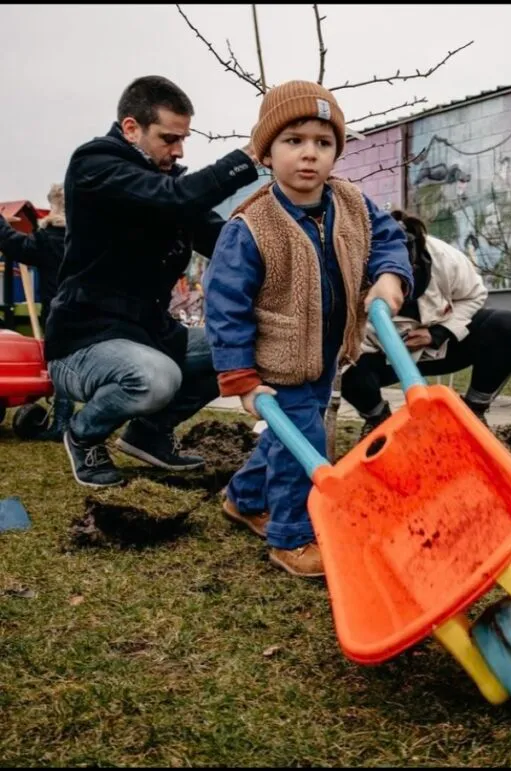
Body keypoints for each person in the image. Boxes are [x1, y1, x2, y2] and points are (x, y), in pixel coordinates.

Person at [203, 80, 413, 578]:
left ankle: (244, 498)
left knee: (288, 435)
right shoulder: (250, 226)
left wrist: (387, 280)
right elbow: (224, 307)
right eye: (293, 141)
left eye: (323, 143)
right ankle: (291, 536)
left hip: (327, 353)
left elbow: (388, 240)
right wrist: (241, 379)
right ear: (266, 152)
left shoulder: (352, 203)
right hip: (279, 361)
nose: (309, 155)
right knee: (306, 446)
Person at [43, 75, 261, 488]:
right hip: (83, 342)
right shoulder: (95, 166)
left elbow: (221, 241)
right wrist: (249, 157)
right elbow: (172, 199)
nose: (178, 150)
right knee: (158, 378)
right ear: (131, 129)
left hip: (148, 332)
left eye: (184, 139)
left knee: (237, 348)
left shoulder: (167, 183)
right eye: (168, 138)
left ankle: (148, 434)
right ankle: (84, 434)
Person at [340, 209, 511, 437]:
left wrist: (438, 333)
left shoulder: (443, 257)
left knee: (506, 325)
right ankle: (378, 421)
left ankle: (474, 412)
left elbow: (474, 295)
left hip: (442, 348)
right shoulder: (349, 274)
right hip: (383, 358)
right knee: (344, 368)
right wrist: (386, 345)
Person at [0, 184, 73, 440]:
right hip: (97, 309)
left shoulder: (50, 240)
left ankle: (62, 422)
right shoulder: (92, 237)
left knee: (60, 362)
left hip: (62, 312)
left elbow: (12, 244)